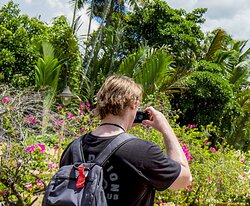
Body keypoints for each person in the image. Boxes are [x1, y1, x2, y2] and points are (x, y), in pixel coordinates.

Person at [58, 75, 192, 206]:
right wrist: (166, 128)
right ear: (134, 104)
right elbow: (184, 179)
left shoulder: (73, 148)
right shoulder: (142, 151)